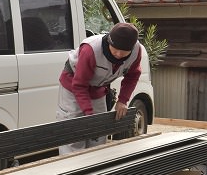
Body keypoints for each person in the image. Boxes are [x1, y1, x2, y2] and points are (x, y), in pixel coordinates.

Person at [56, 22, 142, 155]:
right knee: (74, 131)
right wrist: (88, 113)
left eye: (124, 52)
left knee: (99, 130)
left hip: (98, 88)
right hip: (73, 85)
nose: (118, 54)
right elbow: (79, 85)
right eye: (115, 49)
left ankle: (95, 168)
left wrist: (123, 100)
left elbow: (133, 75)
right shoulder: (91, 50)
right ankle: (74, 170)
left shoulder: (136, 51)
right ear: (109, 42)